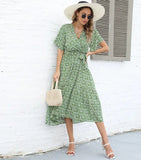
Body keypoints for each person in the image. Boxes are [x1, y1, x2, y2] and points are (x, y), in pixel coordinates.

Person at [45, 1, 115, 159]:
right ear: (76, 13)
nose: (86, 18)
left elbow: (106, 47)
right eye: (83, 15)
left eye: (89, 16)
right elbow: (60, 50)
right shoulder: (65, 29)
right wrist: (57, 71)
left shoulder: (90, 31)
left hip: (82, 70)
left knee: (93, 103)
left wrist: (90, 53)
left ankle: (106, 143)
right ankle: (71, 142)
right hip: (66, 70)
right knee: (67, 105)